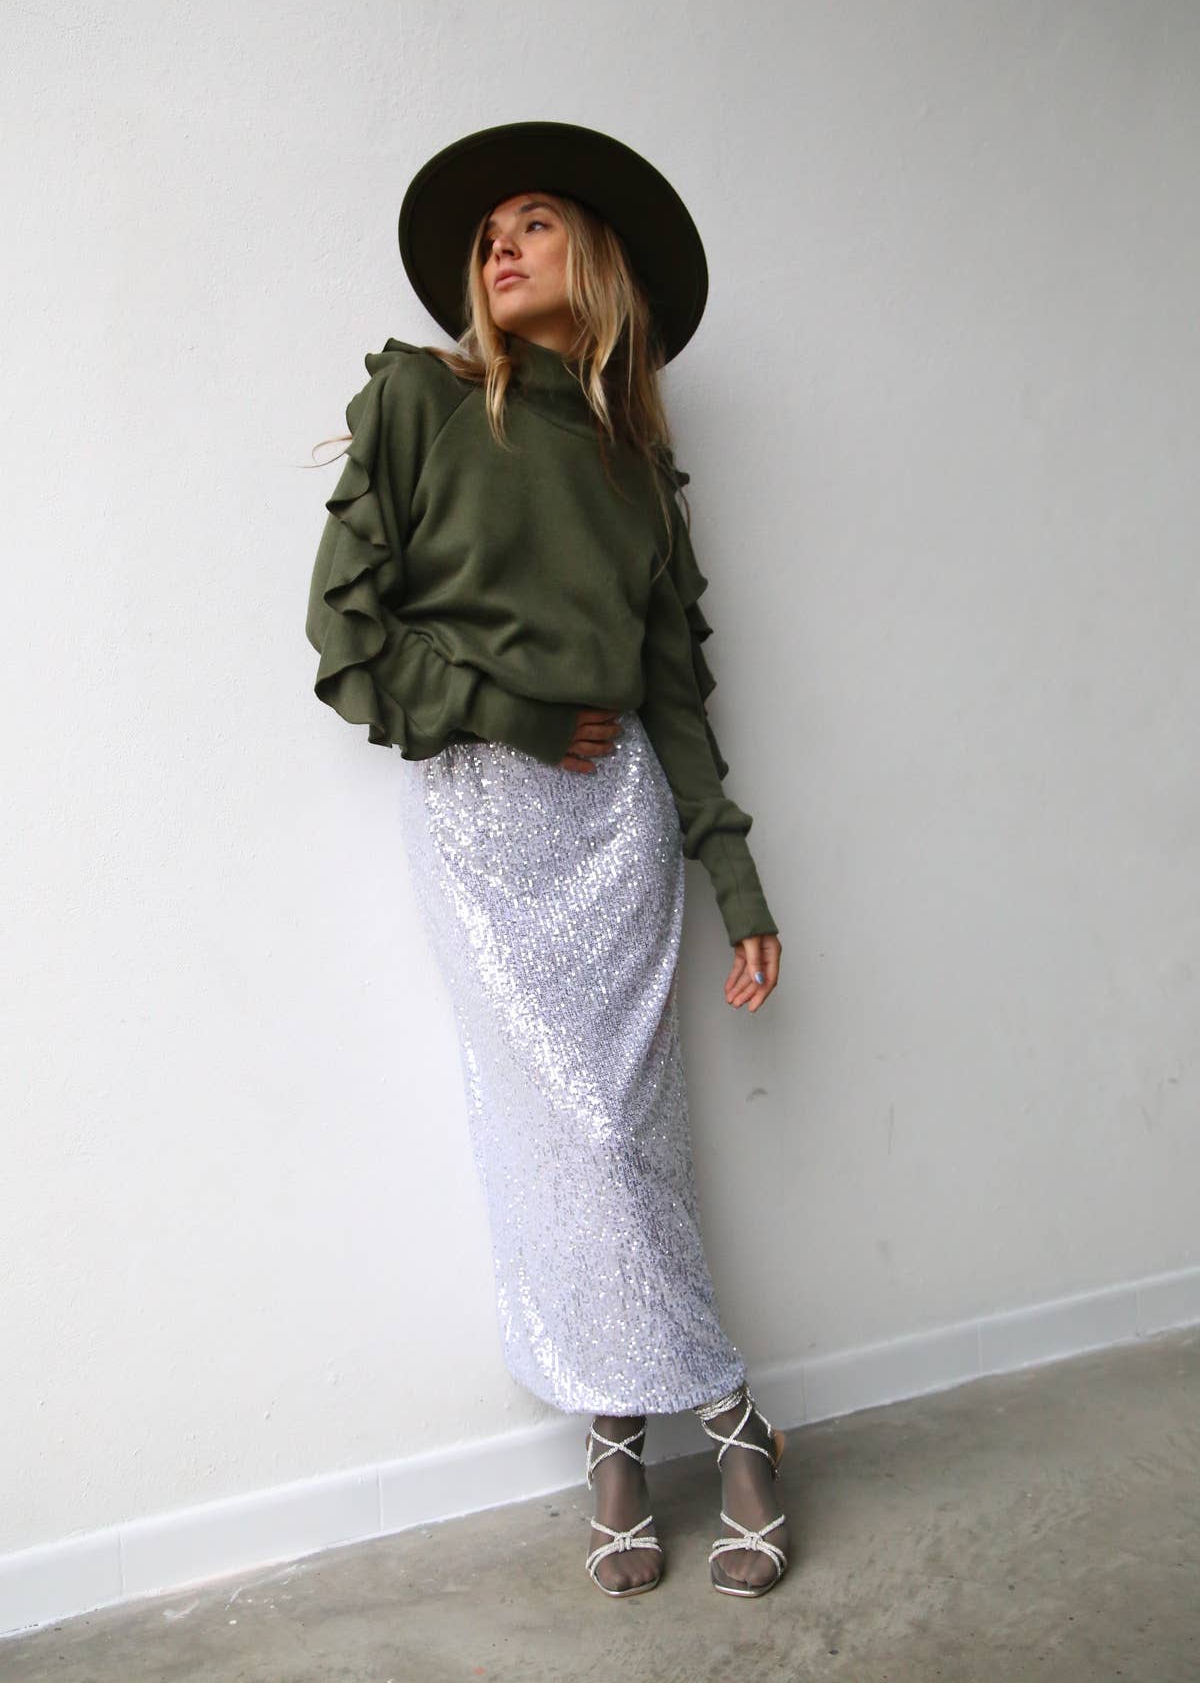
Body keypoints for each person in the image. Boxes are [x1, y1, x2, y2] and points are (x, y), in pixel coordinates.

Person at [304, 121, 788, 1599]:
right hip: (482, 819)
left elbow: (678, 704)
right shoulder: (419, 401)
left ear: (598, 258)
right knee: (559, 1143)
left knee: (628, 1137)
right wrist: (511, 713)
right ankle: (728, 1418)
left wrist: (740, 888)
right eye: (489, 234)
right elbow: (345, 635)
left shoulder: (641, 472)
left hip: (619, 821)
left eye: (535, 221)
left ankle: (622, 1448)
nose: (503, 247)